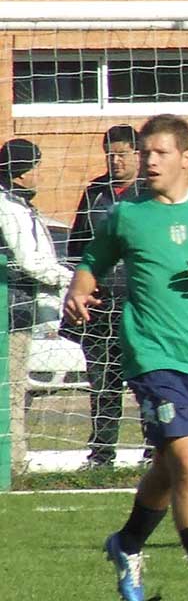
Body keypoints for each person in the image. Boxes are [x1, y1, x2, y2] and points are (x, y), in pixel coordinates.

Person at [64, 114, 188, 601]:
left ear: (185, 158)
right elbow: (91, 261)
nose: (148, 160)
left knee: (169, 468)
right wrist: (78, 291)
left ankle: (127, 543)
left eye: (160, 153)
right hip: (150, 355)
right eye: (145, 152)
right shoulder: (127, 215)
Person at [67, 124, 144, 469]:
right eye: (110, 154)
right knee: (102, 384)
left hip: (140, 306)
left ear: (138, 155)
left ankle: (155, 453)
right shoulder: (95, 192)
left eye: (123, 154)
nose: (116, 161)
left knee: (146, 380)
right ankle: (101, 456)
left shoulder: (151, 193)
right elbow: (77, 247)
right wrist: (83, 285)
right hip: (101, 307)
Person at [0, 138, 74, 473]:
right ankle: (14, 464)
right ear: (19, 173)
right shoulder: (9, 207)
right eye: (34, 167)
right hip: (12, 312)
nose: (37, 174)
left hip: (16, 310)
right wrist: (68, 279)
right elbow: (31, 262)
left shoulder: (17, 203)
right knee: (13, 391)